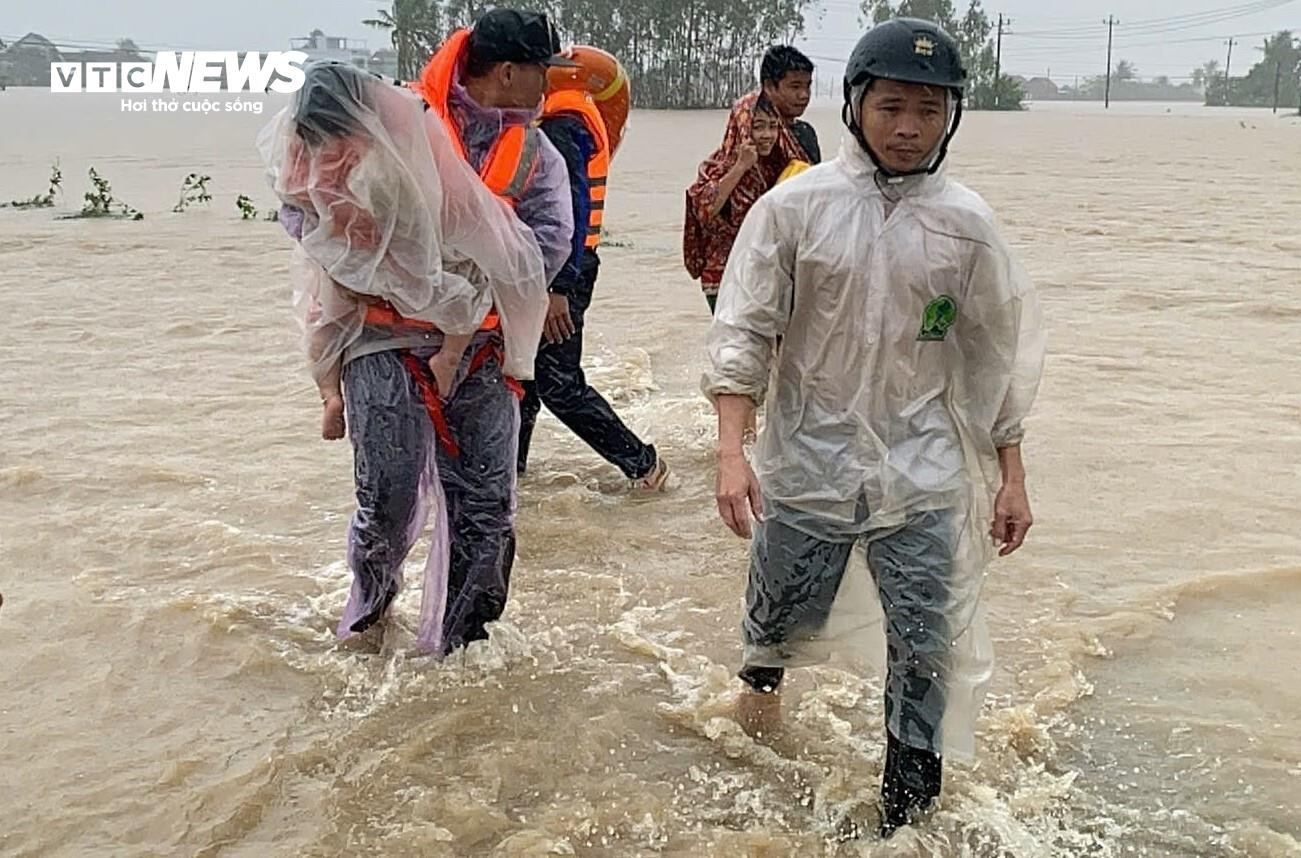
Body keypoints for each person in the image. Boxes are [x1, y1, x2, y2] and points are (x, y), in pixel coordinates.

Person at [704, 18, 1045, 836]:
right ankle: (756, 712)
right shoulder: (796, 208)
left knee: (925, 644)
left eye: (929, 111)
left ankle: (905, 819)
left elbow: (995, 356)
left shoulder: (966, 225)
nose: (908, 128)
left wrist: (1011, 474)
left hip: (921, 470)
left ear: (951, 117)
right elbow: (744, 331)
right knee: (777, 623)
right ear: (855, 104)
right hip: (807, 460)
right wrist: (730, 451)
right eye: (891, 106)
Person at [260, 60, 551, 653]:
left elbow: (484, 269)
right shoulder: (303, 165)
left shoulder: (416, 163)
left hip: (472, 336)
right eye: (322, 146)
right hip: (375, 335)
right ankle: (368, 622)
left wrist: (452, 350)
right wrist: (331, 378)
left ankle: (467, 645)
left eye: (343, 144)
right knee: (386, 500)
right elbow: (322, 261)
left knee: (485, 506)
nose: (331, 161)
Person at [515, 46, 670, 490]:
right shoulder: (573, 118)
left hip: (564, 273)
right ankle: (511, 477)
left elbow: (572, 207)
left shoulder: (563, 125)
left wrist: (559, 287)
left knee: (558, 384)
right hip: (562, 268)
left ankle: (644, 466)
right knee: (523, 378)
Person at [684, 93, 805, 313]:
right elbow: (704, 210)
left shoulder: (782, 166)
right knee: (736, 335)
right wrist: (740, 167)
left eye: (773, 127)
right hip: (724, 278)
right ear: (741, 128)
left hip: (769, 275)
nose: (767, 135)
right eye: (758, 127)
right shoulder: (716, 167)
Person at [760, 45, 820, 164]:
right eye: (795, 87)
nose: (804, 95)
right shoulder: (754, 136)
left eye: (807, 86)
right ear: (769, 87)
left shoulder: (806, 133)